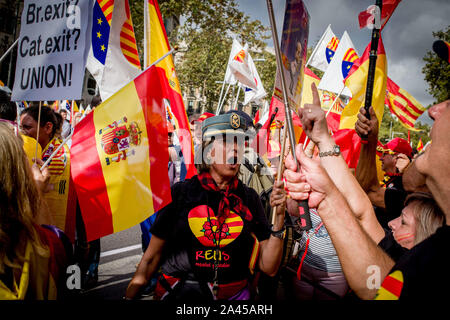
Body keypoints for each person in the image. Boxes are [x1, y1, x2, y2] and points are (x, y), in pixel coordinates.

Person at [284, 79, 450, 300]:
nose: (433, 110)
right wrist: (324, 140)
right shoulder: (433, 253)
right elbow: (377, 281)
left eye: (449, 104)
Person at [125, 112, 286, 300]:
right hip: (181, 295)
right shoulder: (180, 194)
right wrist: (129, 296)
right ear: (208, 151)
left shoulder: (249, 198)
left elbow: (270, 267)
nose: (235, 149)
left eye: (240, 143)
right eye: (226, 142)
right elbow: (151, 258)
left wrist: (280, 217)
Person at [0, 122, 70, 300]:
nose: (25, 132)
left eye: (27, 127)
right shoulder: (35, 246)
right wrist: (37, 193)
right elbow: (55, 250)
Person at [355, 105, 413, 228]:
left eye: (385, 154)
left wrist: (370, 139)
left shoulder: (405, 187)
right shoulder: (393, 181)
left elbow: (369, 190)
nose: (380, 158)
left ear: (398, 157)